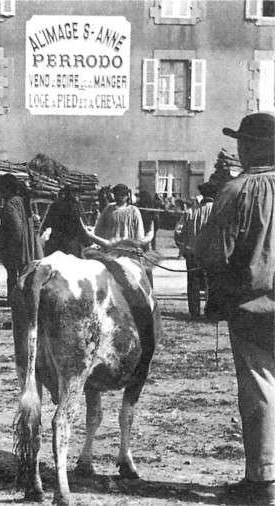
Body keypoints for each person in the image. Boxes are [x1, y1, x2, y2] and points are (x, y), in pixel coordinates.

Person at [194, 113, 275, 505]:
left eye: (243, 143)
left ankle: (263, 482)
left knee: (260, 387)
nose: (239, 149)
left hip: (253, 307)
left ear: (253, 148)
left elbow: (212, 250)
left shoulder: (237, 190)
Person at [0, 174, 43, 304]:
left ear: (6, 188)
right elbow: (36, 223)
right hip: (27, 247)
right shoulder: (22, 202)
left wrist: (10, 246)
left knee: (13, 277)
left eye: (1, 189)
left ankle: (14, 302)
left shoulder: (10, 205)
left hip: (16, 249)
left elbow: (17, 229)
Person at [178, 181, 218, 318]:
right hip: (211, 253)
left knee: (193, 282)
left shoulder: (190, 212)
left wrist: (182, 247)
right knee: (211, 282)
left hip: (192, 252)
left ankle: (194, 312)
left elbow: (178, 231)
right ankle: (210, 311)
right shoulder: (218, 211)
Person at [43, 185, 90, 257]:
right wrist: (87, 241)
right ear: (70, 193)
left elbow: (47, 223)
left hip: (55, 242)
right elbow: (78, 226)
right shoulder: (74, 206)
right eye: (75, 193)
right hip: (70, 244)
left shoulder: (55, 205)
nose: (77, 195)